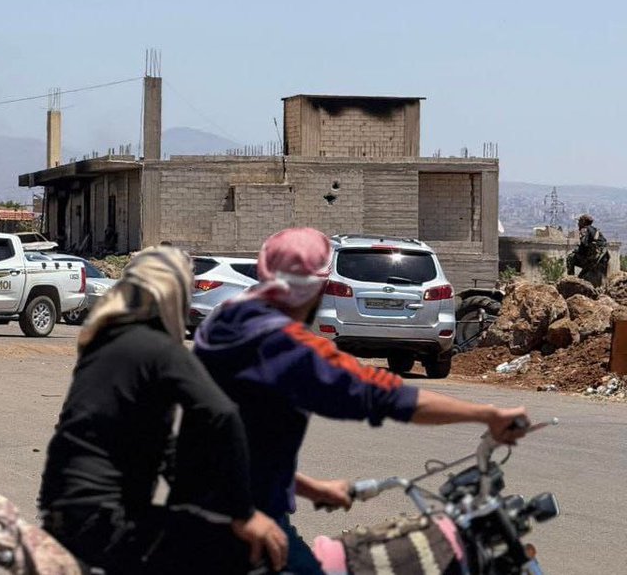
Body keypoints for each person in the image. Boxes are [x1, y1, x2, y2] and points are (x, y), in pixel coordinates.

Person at [171, 228, 530, 574]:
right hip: (244, 521)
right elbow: (382, 394)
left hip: (195, 508)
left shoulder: (225, 322)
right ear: (319, 286)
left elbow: (237, 437)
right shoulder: (289, 349)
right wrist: (486, 414)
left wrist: (311, 487)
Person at [38, 247, 288, 574]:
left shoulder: (102, 344)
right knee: (254, 552)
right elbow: (223, 416)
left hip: (65, 517)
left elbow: (147, 440)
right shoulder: (158, 347)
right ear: (173, 294)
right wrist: (244, 513)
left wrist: (196, 489)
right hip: (107, 521)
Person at [566, 214, 609, 287]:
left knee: (571, 257)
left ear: (583, 222)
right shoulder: (597, 231)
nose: (578, 224)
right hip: (603, 260)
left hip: (592, 260)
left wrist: (578, 252)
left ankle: (571, 279)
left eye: (579, 221)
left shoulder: (584, 229)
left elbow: (584, 244)